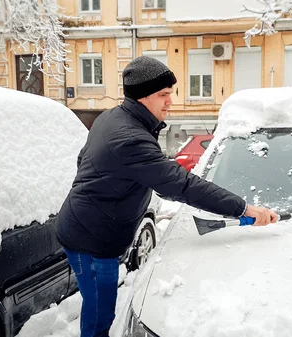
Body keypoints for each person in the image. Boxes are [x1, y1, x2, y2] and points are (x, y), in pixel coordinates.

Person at [56, 56, 279, 337]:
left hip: (87, 227)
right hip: (92, 241)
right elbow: (181, 185)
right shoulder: (130, 138)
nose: (170, 101)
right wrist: (244, 208)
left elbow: (83, 160)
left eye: (170, 93)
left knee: (98, 307)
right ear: (142, 97)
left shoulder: (113, 117)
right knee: (100, 316)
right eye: (163, 94)